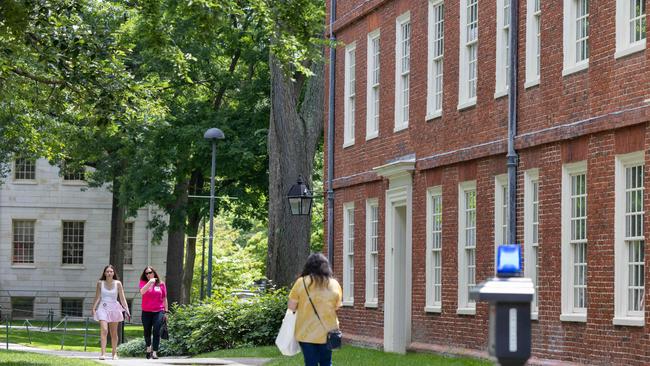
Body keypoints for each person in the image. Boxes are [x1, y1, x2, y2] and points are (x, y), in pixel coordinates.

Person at [287, 253, 342, 366]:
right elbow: (337, 306)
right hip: (329, 331)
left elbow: (291, 307)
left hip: (306, 331)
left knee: (310, 363)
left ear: (308, 266)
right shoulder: (334, 284)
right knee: (326, 362)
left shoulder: (301, 282)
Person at [91, 264, 130, 360]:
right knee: (104, 330)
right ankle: (103, 354)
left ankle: (114, 353)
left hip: (114, 308)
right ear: (104, 273)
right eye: (107, 271)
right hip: (103, 307)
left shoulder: (118, 283)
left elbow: (122, 298)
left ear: (113, 273)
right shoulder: (100, 283)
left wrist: (127, 310)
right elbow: (97, 297)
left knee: (113, 332)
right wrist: (93, 308)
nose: (109, 273)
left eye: (111, 271)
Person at [139, 266, 168, 359]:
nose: (148, 274)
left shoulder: (161, 284)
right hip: (146, 312)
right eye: (146, 273)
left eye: (150, 272)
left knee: (156, 331)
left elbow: (164, 298)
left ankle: (155, 352)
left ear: (154, 273)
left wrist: (166, 312)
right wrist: (150, 282)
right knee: (147, 331)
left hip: (158, 311)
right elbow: (142, 292)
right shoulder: (143, 283)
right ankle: (148, 347)